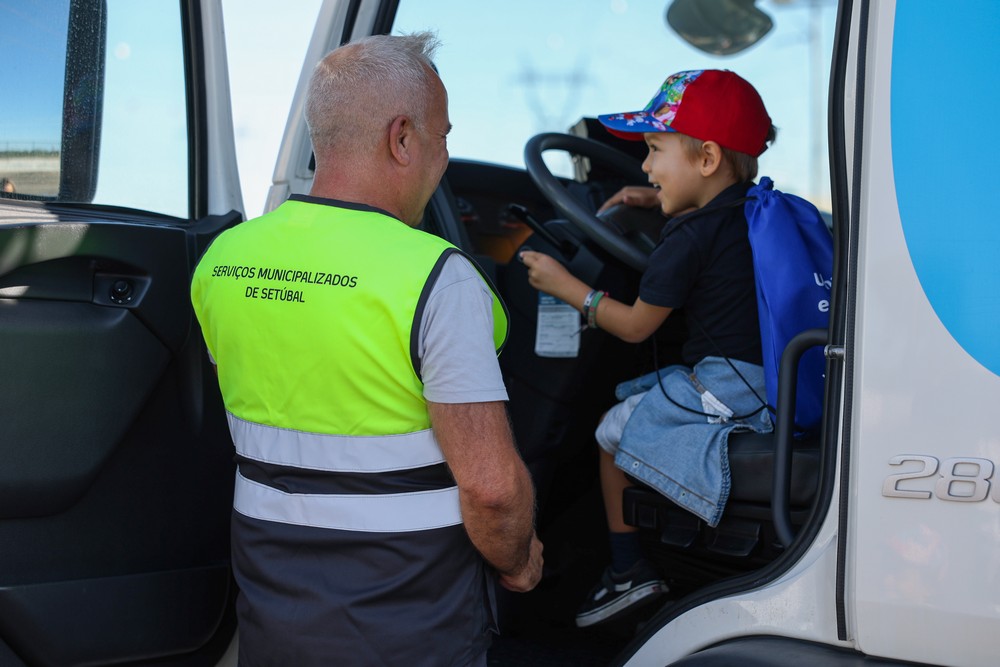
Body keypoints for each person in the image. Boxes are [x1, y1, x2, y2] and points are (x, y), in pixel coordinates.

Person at [191, 32, 542, 667]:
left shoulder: (225, 261)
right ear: (401, 139)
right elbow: (491, 490)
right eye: (442, 136)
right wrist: (519, 561)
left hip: (274, 620)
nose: (444, 157)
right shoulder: (438, 279)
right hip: (409, 627)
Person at [520, 69, 776, 628]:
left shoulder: (688, 237)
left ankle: (627, 569)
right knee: (637, 394)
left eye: (655, 150)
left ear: (707, 159)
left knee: (610, 428)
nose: (644, 167)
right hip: (774, 378)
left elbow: (636, 327)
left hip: (731, 386)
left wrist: (567, 287)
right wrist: (657, 199)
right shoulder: (755, 211)